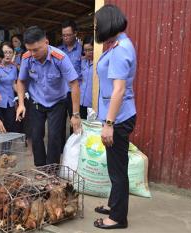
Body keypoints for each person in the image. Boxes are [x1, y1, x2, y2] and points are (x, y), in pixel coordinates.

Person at [93, 4, 137, 230]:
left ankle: (118, 218)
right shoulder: (116, 45)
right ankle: (114, 205)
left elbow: (118, 89)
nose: (96, 28)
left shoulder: (120, 49)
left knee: (118, 170)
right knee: (115, 167)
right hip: (116, 116)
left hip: (118, 119)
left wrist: (109, 124)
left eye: (97, 25)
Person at [16, 26, 82, 166]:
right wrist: (21, 104)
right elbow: (21, 81)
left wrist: (75, 114)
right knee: (36, 135)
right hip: (36, 101)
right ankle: (40, 168)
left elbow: (74, 84)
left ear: (46, 42)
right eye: (30, 49)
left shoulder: (60, 58)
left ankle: (52, 170)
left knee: (54, 137)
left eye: (36, 49)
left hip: (57, 102)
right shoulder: (27, 58)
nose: (33, 53)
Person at [58, 20, 83, 146]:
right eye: (64, 35)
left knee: (75, 121)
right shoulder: (57, 51)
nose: (66, 38)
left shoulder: (82, 50)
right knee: (59, 122)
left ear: (75, 34)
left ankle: (74, 147)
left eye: (68, 35)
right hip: (61, 93)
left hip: (75, 92)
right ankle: (62, 149)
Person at [79, 35, 94, 119]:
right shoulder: (83, 62)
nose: (87, 53)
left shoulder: (99, 63)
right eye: (85, 50)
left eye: (90, 50)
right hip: (81, 101)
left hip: (92, 103)